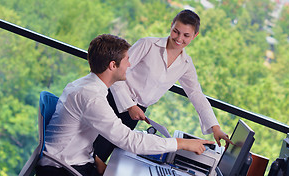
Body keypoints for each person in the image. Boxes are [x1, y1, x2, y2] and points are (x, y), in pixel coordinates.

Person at [36, 34, 214, 176]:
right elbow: (130, 141)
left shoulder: (87, 85)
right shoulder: (92, 98)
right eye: (127, 60)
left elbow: (78, 135)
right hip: (62, 169)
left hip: (77, 161)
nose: (130, 64)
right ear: (113, 65)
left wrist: (95, 159)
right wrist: (181, 144)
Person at [93, 10, 234, 172]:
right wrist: (129, 105)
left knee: (107, 154)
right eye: (176, 31)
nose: (179, 39)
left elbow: (196, 94)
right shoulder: (148, 44)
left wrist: (215, 128)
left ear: (195, 36)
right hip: (115, 100)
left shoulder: (186, 64)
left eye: (186, 35)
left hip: (136, 113)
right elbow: (116, 73)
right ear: (171, 26)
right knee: (94, 153)